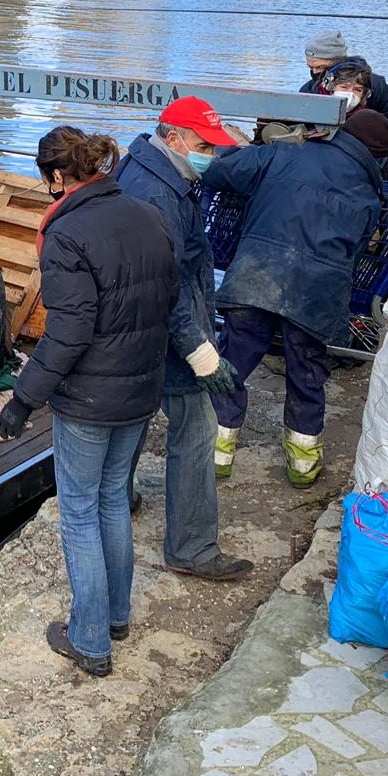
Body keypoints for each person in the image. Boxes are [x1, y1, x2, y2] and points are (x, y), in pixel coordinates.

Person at [0, 127, 181, 676]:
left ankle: (91, 640)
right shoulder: (148, 215)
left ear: (56, 177)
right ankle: (116, 616)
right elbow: (166, 297)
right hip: (140, 388)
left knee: (79, 510)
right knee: (111, 502)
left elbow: (69, 334)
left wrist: (22, 401)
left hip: (90, 398)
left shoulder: (67, 233)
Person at [199, 108, 388, 486]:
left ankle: (216, 452)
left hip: (257, 276)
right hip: (316, 296)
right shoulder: (370, 194)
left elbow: (220, 169)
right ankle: (302, 465)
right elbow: (361, 247)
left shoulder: (286, 153)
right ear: (377, 157)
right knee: (307, 372)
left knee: (233, 360)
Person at [115, 97, 254, 583]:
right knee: (195, 431)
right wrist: (201, 352)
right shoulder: (158, 196)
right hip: (163, 331)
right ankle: (192, 548)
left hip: (138, 331)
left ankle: (117, 498)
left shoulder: (151, 170)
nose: (209, 157)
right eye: (203, 146)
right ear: (172, 138)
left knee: (131, 421)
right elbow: (166, 284)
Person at [300, 30, 388, 138]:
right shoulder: (308, 91)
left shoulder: (377, 86)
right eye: (311, 68)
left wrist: (379, 151)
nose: (315, 73)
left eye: (321, 67)